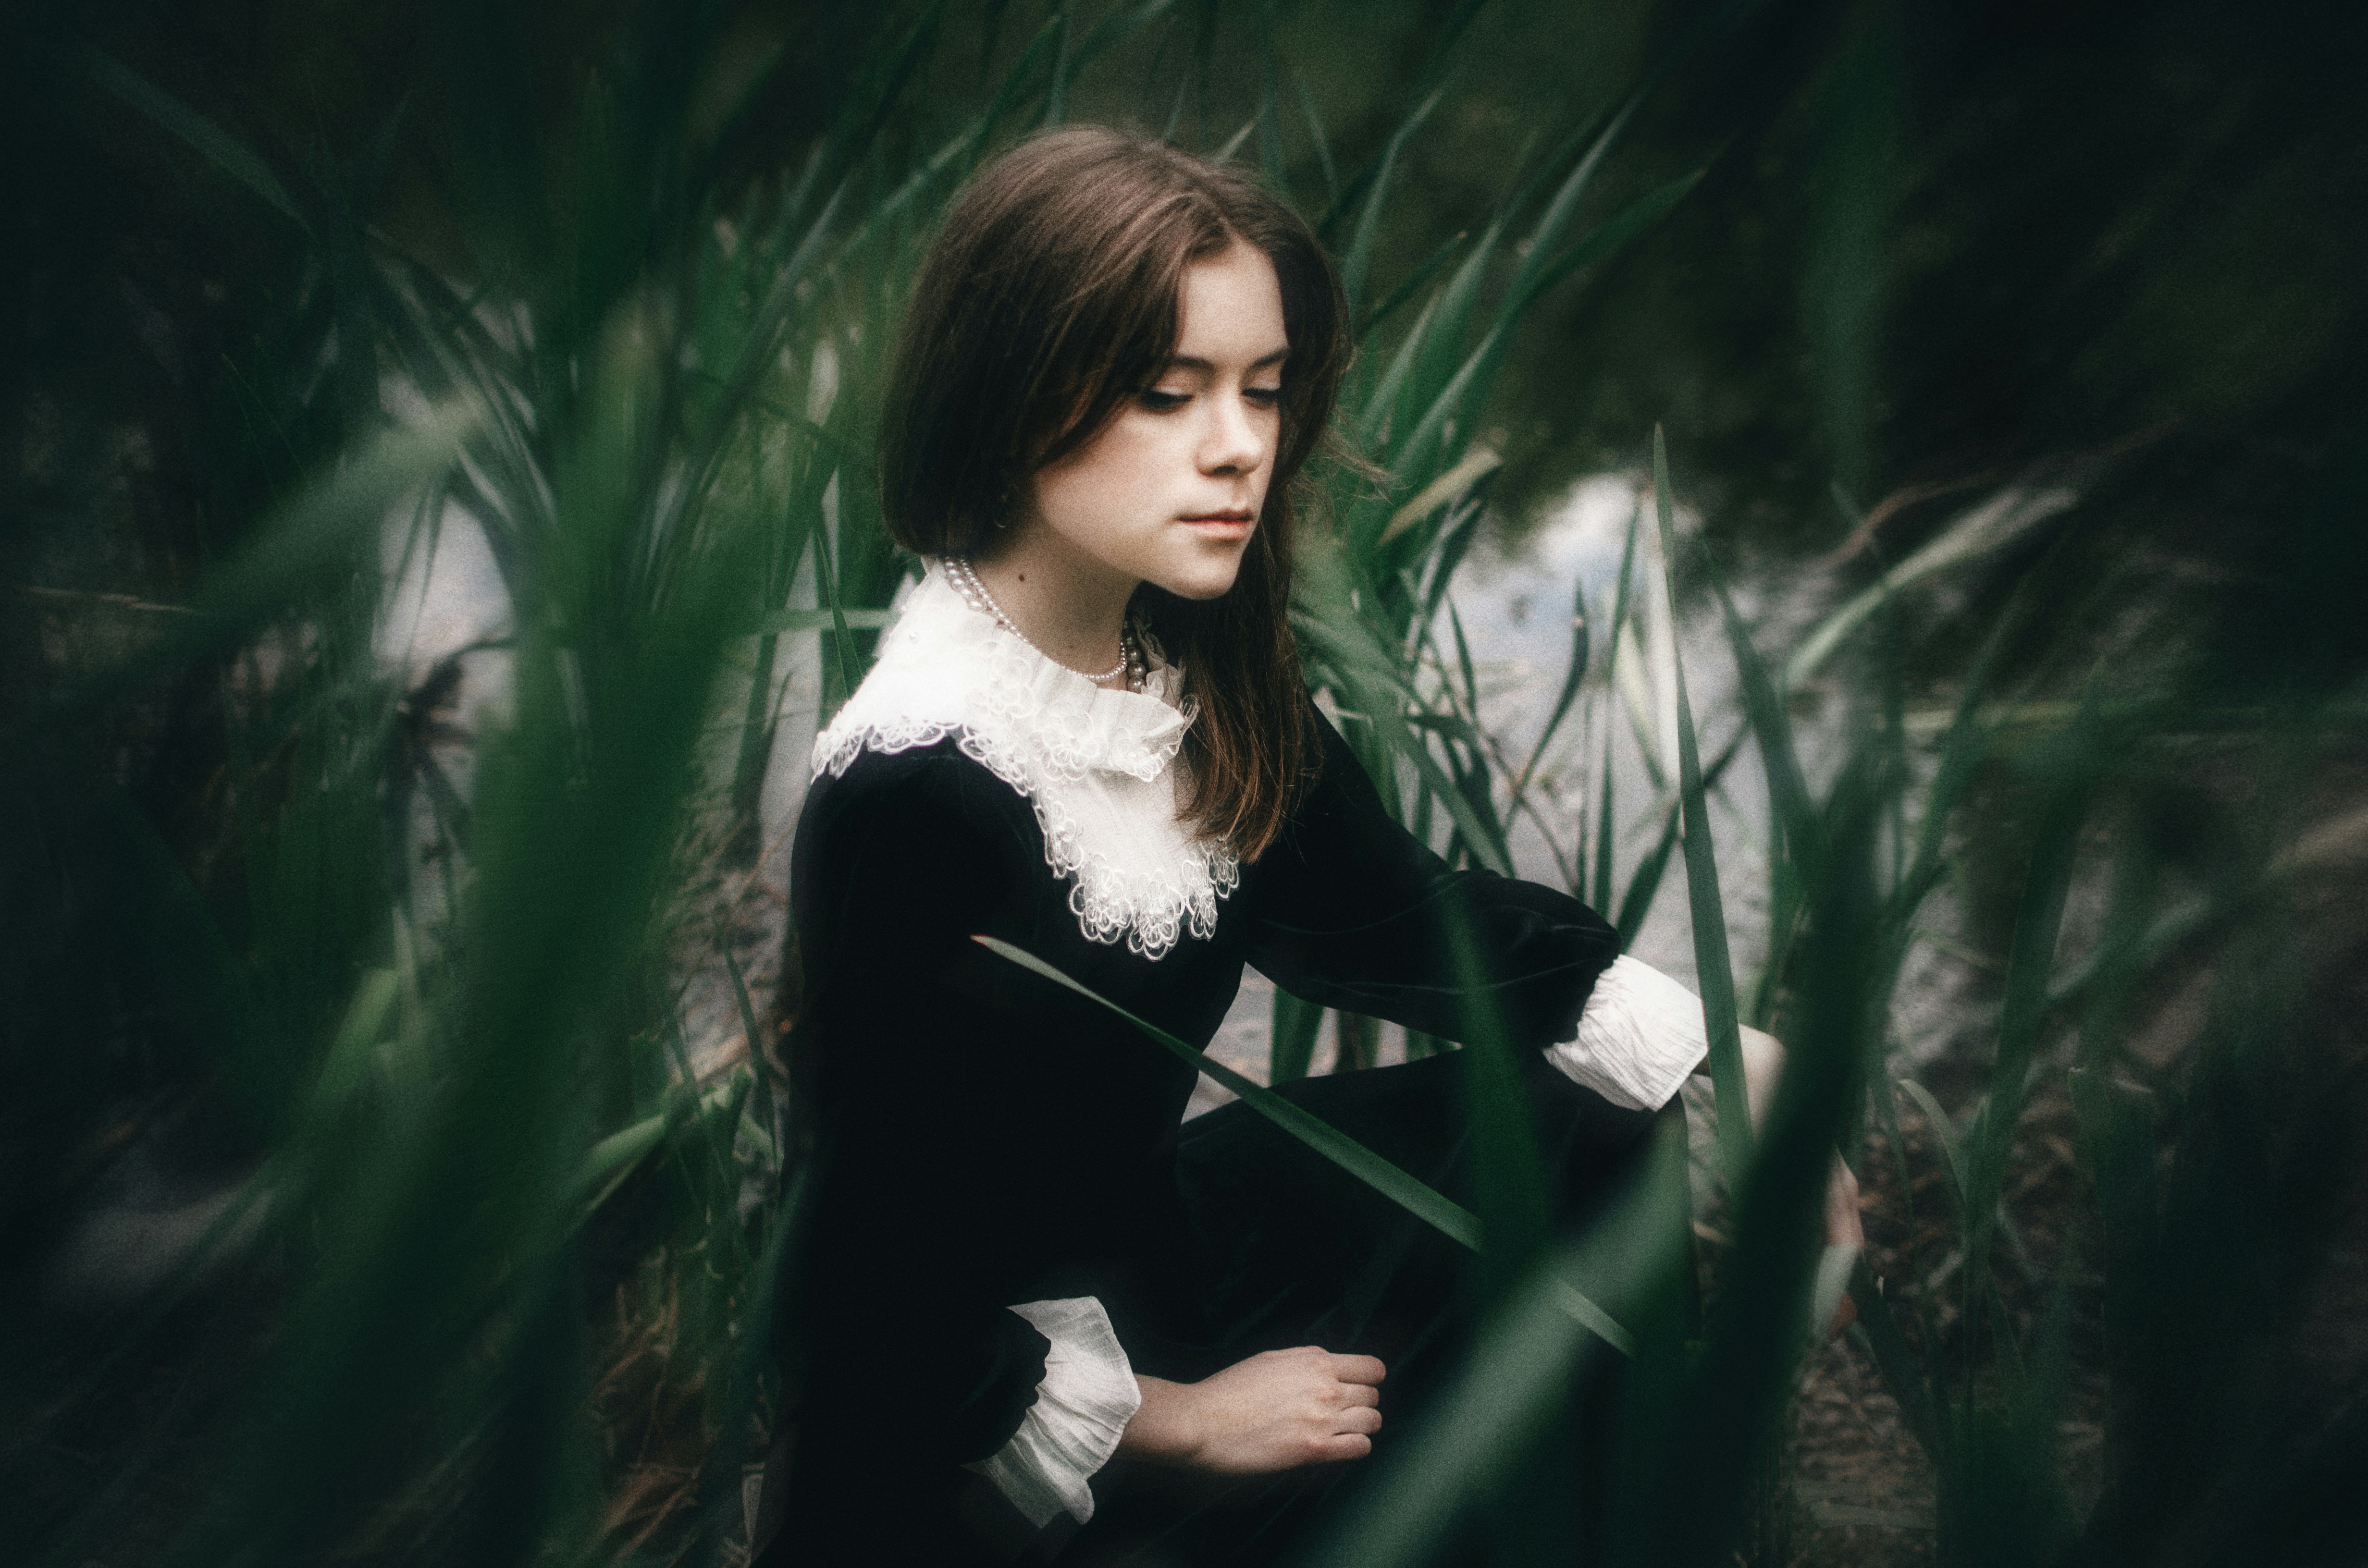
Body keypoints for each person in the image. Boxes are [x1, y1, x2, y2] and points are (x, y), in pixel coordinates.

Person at [750, 124, 1861, 1567]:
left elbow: (1409, 926)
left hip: (1154, 1255)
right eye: (1169, 394)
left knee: (1604, 1124)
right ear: (1014, 392)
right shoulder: (918, 787)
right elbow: (857, 1279)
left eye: (1264, 393)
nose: (1240, 449)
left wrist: (1730, 1065)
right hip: (971, 1425)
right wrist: (1180, 1420)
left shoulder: (1185, 679)